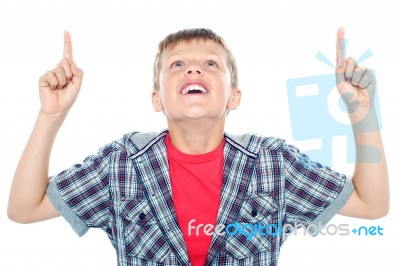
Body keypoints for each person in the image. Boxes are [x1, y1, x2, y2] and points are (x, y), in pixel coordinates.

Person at [8, 28, 389, 266]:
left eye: (210, 63)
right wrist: (51, 115)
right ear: (157, 98)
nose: (193, 70)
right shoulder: (120, 163)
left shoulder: (275, 163)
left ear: (233, 97)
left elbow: (372, 205)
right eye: (177, 64)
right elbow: (24, 209)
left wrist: (362, 113)